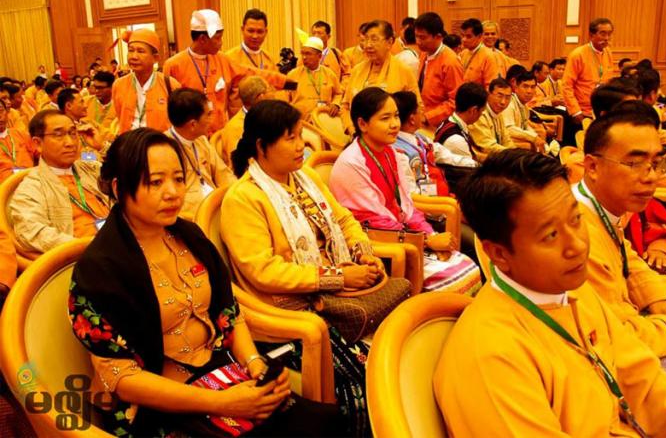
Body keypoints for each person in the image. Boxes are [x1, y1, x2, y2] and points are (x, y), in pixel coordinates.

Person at [69, 128, 342, 437]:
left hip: (219, 372)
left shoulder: (189, 237)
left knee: (324, 422)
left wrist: (255, 364)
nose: (172, 192)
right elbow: (123, 379)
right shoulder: (100, 269)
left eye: (178, 178)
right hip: (157, 408)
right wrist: (222, 403)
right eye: (155, 182)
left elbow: (229, 311)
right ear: (119, 188)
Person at [436, 148, 666, 437]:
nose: (577, 245)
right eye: (551, 235)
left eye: (576, 220)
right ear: (499, 254)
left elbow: (648, 387)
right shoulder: (490, 356)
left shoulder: (577, 294)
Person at [222, 99, 411, 436]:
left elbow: (343, 219)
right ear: (262, 147)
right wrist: (337, 276)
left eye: (301, 136)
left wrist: (362, 251)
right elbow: (264, 271)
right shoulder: (244, 198)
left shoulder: (305, 177)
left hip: (338, 292)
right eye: (291, 138)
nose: (302, 146)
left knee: (402, 358)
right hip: (292, 310)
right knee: (363, 381)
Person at [330, 87, 481, 293]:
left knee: (468, 266)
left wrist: (428, 233)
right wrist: (426, 241)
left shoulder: (390, 152)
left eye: (396, 116)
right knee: (453, 280)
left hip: (404, 234)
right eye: (385, 118)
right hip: (376, 244)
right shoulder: (351, 163)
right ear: (362, 124)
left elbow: (406, 205)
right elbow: (374, 220)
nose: (394, 124)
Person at [575, 103, 666, 379]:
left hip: (642, 330)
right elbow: (615, 335)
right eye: (635, 163)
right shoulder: (573, 229)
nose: (650, 177)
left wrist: (660, 304)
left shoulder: (606, 211)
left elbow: (632, 265)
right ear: (592, 166)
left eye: (655, 164)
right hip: (609, 363)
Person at [164, 9, 286, 134]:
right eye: (218, 38)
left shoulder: (222, 59)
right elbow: (168, 109)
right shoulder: (173, 65)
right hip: (190, 136)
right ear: (202, 39)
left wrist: (286, 82)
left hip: (219, 134)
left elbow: (251, 72)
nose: (221, 43)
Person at [9, 110, 110, 254]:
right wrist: (92, 247)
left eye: (72, 133)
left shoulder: (90, 167)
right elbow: (32, 231)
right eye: (58, 135)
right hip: (84, 257)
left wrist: (101, 147)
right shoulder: (31, 187)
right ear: (38, 143)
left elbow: (133, 175)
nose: (70, 143)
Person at [340, 20, 422, 135]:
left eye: (374, 39)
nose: (368, 45)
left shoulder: (403, 71)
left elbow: (417, 108)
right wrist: (351, 129)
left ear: (389, 42)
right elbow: (345, 106)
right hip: (359, 135)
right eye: (366, 39)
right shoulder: (357, 70)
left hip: (394, 138)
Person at [167, 88, 235, 219]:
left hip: (216, 205)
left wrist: (239, 195)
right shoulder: (165, 150)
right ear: (193, 124)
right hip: (190, 216)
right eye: (208, 115)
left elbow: (223, 174)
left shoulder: (201, 140)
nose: (212, 120)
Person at [392, 90, 475, 196]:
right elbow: (411, 194)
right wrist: (445, 203)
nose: (423, 111)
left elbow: (446, 156)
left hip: (440, 193)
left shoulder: (420, 137)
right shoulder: (399, 151)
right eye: (419, 109)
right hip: (428, 204)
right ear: (412, 119)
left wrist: (475, 164)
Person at [112, 28, 180, 134]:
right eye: (130, 50)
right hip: (129, 146)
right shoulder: (118, 85)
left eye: (140, 51)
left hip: (161, 146)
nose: (134, 56)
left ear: (155, 58)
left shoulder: (170, 84)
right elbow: (119, 117)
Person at [225, 9, 281, 117]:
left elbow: (276, 92)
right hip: (241, 122)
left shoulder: (269, 59)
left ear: (266, 31)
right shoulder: (229, 58)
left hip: (266, 120)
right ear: (242, 29)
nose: (255, 36)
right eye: (250, 31)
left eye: (260, 31)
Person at [414, 12, 464, 128]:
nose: (418, 41)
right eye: (416, 36)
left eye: (422, 37)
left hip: (439, 124)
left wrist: (428, 117)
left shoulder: (450, 62)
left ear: (438, 36)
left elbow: (456, 101)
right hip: (423, 119)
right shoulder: (424, 54)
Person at [562, 18, 616, 122]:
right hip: (582, 112)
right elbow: (566, 86)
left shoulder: (608, 52)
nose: (607, 38)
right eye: (603, 34)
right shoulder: (578, 55)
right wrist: (575, 111)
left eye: (609, 34)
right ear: (591, 35)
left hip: (601, 111)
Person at [433, 82, 488, 183]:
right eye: (482, 112)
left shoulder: (451, 120)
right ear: (474, 110)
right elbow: (472, 172)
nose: (481, 115)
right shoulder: (456, 140)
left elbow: (475, 155)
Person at [217, 75, 270, 165]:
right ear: (261, 97)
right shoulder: (235, 128)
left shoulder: (266, 117)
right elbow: (238, 165)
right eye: (268, 92)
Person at [286, 36, 342, 119]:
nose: (304, 57)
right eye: (303, 53)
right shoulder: (293, 75)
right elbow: (286, 98)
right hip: (301, 122)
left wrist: (336, 104)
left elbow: (338, 94)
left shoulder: (329, 74)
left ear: (319, 56)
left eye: (308, 54)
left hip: (324, 121)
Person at [501, 69, 548, 153]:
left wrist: (536, 137)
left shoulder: (524, 106)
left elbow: (525, 126)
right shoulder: (509, 103)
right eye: (525, 86)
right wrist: (533, 137)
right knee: (530, 145)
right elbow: (509, 129)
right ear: (516, 87)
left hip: (516, 138)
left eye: (532, 87)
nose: (529, 91)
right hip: (505, 140)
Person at [468, 78, 515, 160]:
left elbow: (507, 140)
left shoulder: (498, 113)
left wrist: (516, 153)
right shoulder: (479, 113)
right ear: (489, 94)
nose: (503, 102)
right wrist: (514, 155)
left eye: (507, 98)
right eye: (499, 96)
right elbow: (488, 147)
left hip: (499, 155)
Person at [58, 88, 106, 158]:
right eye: (81, 102)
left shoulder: (87, 122)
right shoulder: (62, 129)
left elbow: (107, 136)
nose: (86, 106)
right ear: (69, 106)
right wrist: (97, 156)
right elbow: (76, 157)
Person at [0, 99, 36, 183]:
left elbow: (41, 154)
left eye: (0, 111)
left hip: (31, 183)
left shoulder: (21, 134)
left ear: (7, 112)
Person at [311, 20, 351, 87]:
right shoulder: (306, 54)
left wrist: (341, 88)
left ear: (328, 36)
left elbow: (347, 73)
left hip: (332, 94)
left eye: (319, 33)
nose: (316, 36)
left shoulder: (336, 53)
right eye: (314, 33)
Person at [85, 71, 117, 138]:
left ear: (112, 87)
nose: (96, 91)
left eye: (101, 88)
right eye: (95, 87)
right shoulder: (85, 102)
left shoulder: (120, 104)